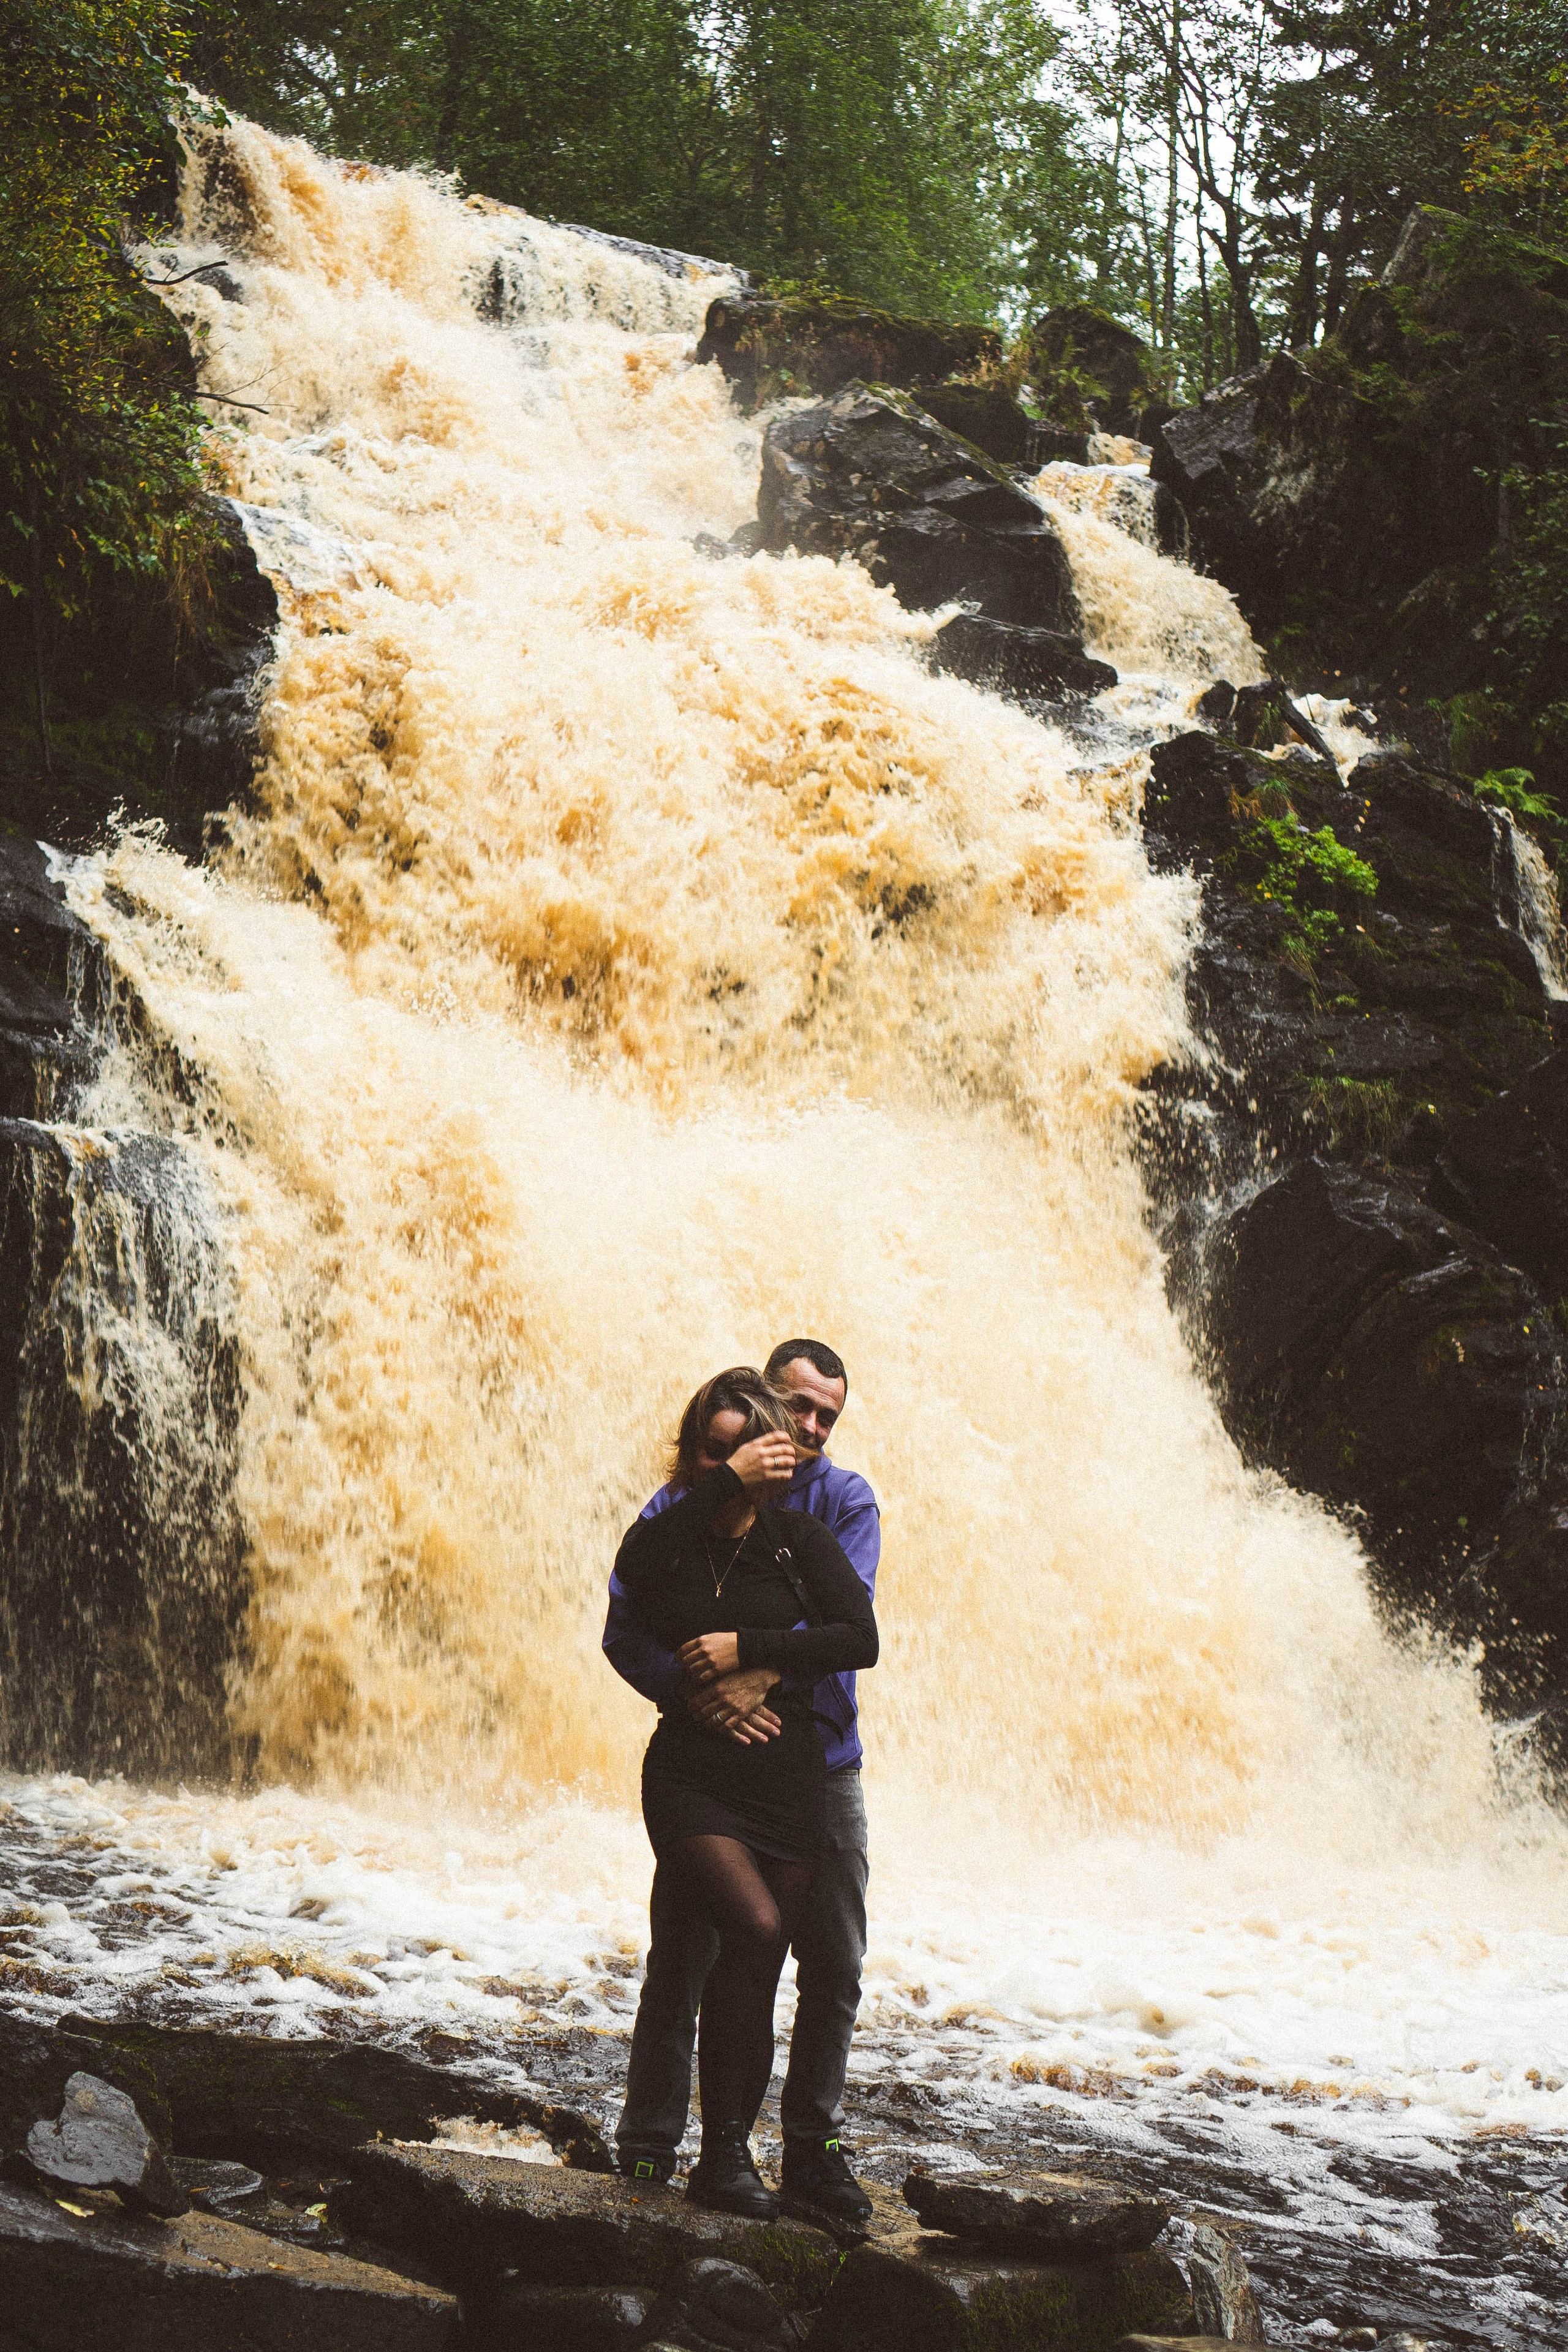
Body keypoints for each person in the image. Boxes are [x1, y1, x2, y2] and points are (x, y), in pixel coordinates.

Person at [604, 1339, 880, 2226]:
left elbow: (851, 1629)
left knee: (815, 1962)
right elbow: (628, 1611)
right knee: (692, 1954)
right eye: (795, 1410)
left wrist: (755, 1663)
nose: (807, 1431)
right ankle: (650, 2150)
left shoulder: (828, 1510)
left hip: (809, 1770)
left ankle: (791, 2151)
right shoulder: (678, 1516)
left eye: (825, 1419)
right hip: (698, 1771)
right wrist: (693, 1692)